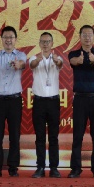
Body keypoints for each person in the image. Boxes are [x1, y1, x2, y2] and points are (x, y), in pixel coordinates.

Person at [0, 26, 27, 178]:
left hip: (14, 101)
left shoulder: (21, 55)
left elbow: (23, 63)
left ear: (15, 40)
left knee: (14, 135)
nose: (8, 40)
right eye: (5, 37)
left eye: (11, 37)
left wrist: (19, 65)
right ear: (2, 40)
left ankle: (13, 168)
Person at [68, 25, 94, 178]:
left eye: (90, 34)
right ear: (80, 37)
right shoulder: (74, 53)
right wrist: (79, 60)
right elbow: (73, 61)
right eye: (84, 34)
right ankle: (76, 168)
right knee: (77, 136)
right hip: (80, 99)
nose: (87, 37)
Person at [29, 32, 64, 178]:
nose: (45, 44)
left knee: (54, 137)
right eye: (43, 41)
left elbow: (60, 64)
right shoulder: (34, 58)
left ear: (52, 43)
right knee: (40, 137)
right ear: (39, 43)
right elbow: (32, 65)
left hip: (53, 101)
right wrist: (37, 60)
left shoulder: (57, 58)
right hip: (39, 102)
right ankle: (40, 167)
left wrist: (56, 61)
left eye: (48, 41)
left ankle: (54, 168)